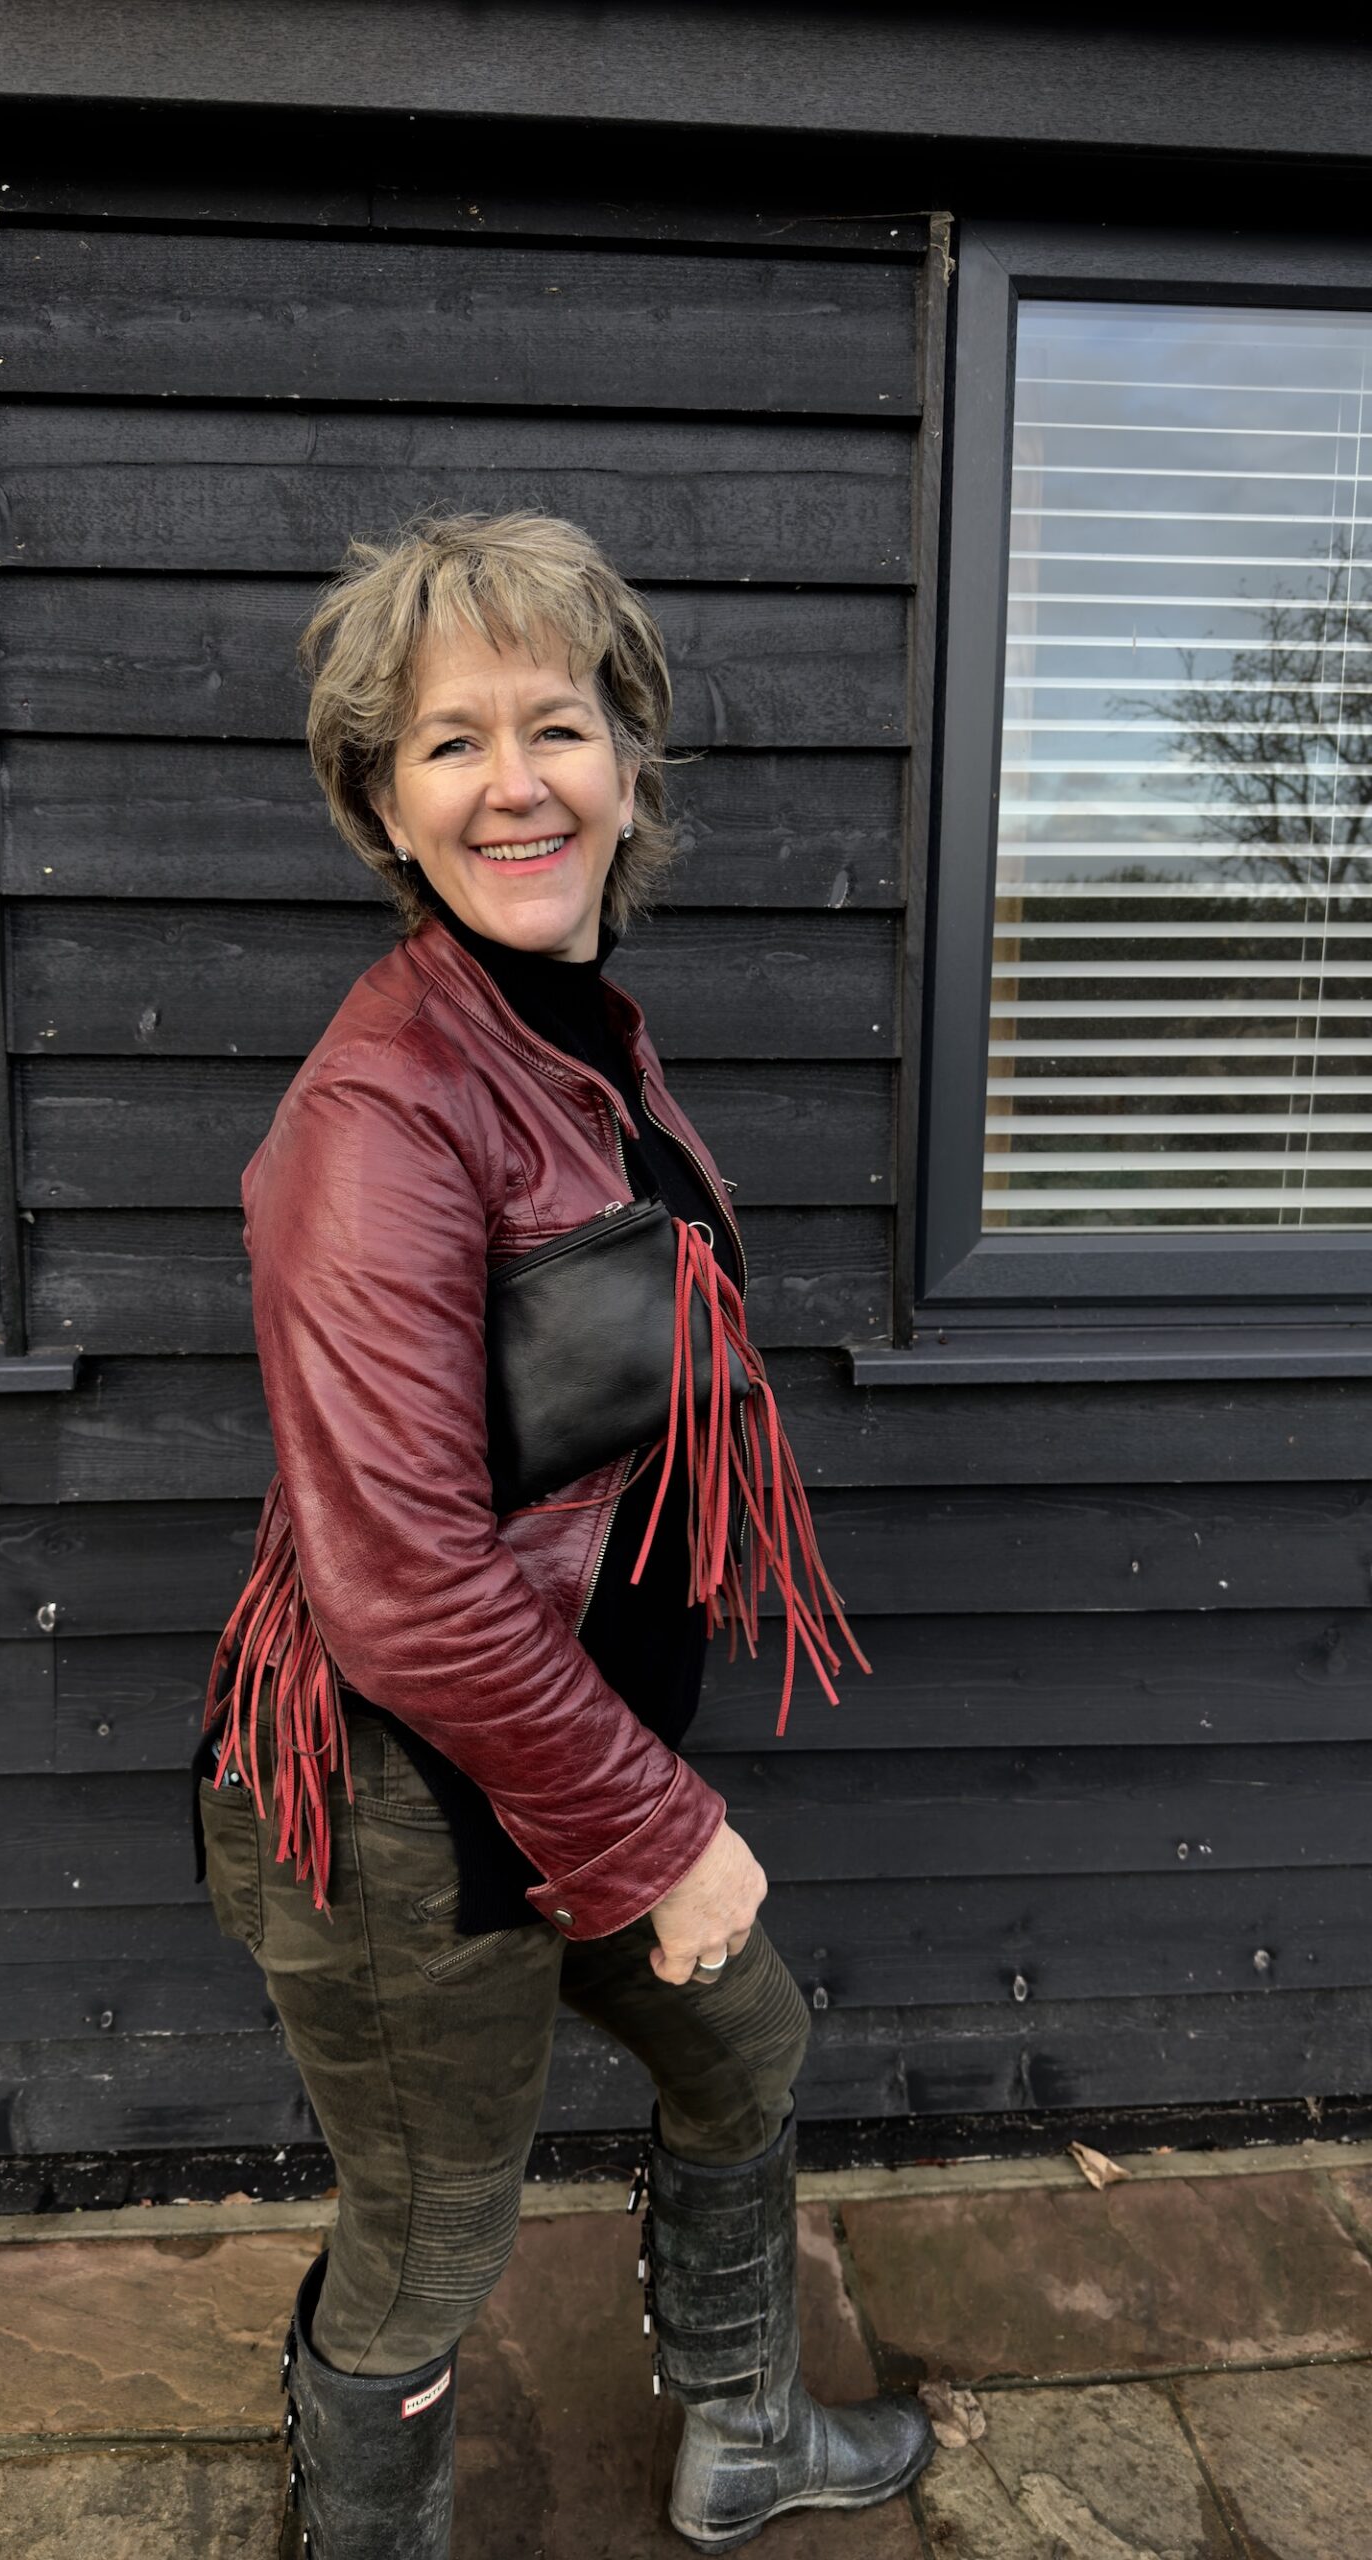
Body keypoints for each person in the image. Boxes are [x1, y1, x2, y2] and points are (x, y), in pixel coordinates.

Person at [196, 512, 932, 2558]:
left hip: (564, 1757)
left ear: (629, 759)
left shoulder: (572, 1027)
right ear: (380, 799)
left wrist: (633, 1804)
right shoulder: (379, 1114)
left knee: (749, 2042)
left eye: (559, 721)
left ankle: (745, 2431)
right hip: (400, 1797)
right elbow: (410, 1580)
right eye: (450, 741)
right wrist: (661, 1828)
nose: (516, 777)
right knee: (430, 2238)